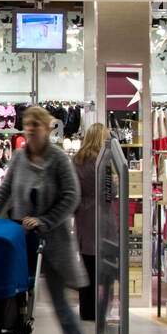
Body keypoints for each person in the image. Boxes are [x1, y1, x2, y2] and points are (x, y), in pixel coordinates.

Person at [0, 105, 92, 334]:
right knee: (14, 302)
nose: (31, 128)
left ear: (47, 128)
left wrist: (45, 220)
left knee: (59, 303)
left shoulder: (58, 159)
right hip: (23, 242)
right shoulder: (20, 158)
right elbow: (4, 192)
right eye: (27, 124)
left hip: (52, 243)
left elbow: (71, 197)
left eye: (36, 124)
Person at [72, 124, 109, 322]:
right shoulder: (104, 161)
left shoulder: (77, 160)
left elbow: (73, 189)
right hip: (102, 214)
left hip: (83, 215)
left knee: (86, 264)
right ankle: (101, 309)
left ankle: (87, 310)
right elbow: (109, 191)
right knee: (103, 266)